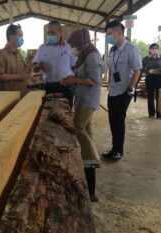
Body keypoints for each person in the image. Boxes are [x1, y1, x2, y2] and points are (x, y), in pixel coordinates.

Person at [61, 29, 104, 202]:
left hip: (89, 99)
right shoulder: (84, 56)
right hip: (82, 98)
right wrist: (71, 80)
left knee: (78, 127)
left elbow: (94, 80)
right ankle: (88, 159)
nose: (72, 49)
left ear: (81, 43)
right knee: (86, 128)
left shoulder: (93, 56)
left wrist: (73, 81)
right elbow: (81, 76)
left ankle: (92, 159)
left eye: (73, 46)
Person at [102, 20, 142, 161]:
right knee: (112, 120)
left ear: (119, 33)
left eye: (109, 34)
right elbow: (112, 70)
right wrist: (109, 85)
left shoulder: (131, 49)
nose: (108, 37)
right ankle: (114, 148)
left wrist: (130, 88)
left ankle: (119, 150)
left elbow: (137, 70)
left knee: (119, 120)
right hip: (113, 90)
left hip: (124, 91)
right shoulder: (112, 50)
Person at [33, 20, 77, 108]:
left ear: (60, 32)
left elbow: (75, 67)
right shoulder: (42, 48)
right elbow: (34, 68)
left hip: (65, 87)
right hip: (48, 87)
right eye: (48, 33)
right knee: (47, 115)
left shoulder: (69, 47)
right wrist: (39, 66)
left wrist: (74, 83)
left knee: (65, 115)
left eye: (52, 32)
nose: (50, 35)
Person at [0, 24, 30, 97]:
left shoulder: (19, 55)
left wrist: (28, 71)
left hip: (22, 95)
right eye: (20, 35)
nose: (22, 38)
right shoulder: (2, 54)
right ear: (11, 36)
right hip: (8, 98)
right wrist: (18, 76)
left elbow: (22, 73)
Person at [142, 43, 161, 119]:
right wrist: (148, 71)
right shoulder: (146, 58)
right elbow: (142, 69)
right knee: (150, 96)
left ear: (158, 49)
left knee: (159, 96)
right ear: (150, 49)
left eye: (156, 48)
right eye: (152, 48)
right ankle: (151, 113)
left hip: (159, 78)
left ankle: (159, 114)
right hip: (149, 78)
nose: (154, 50)